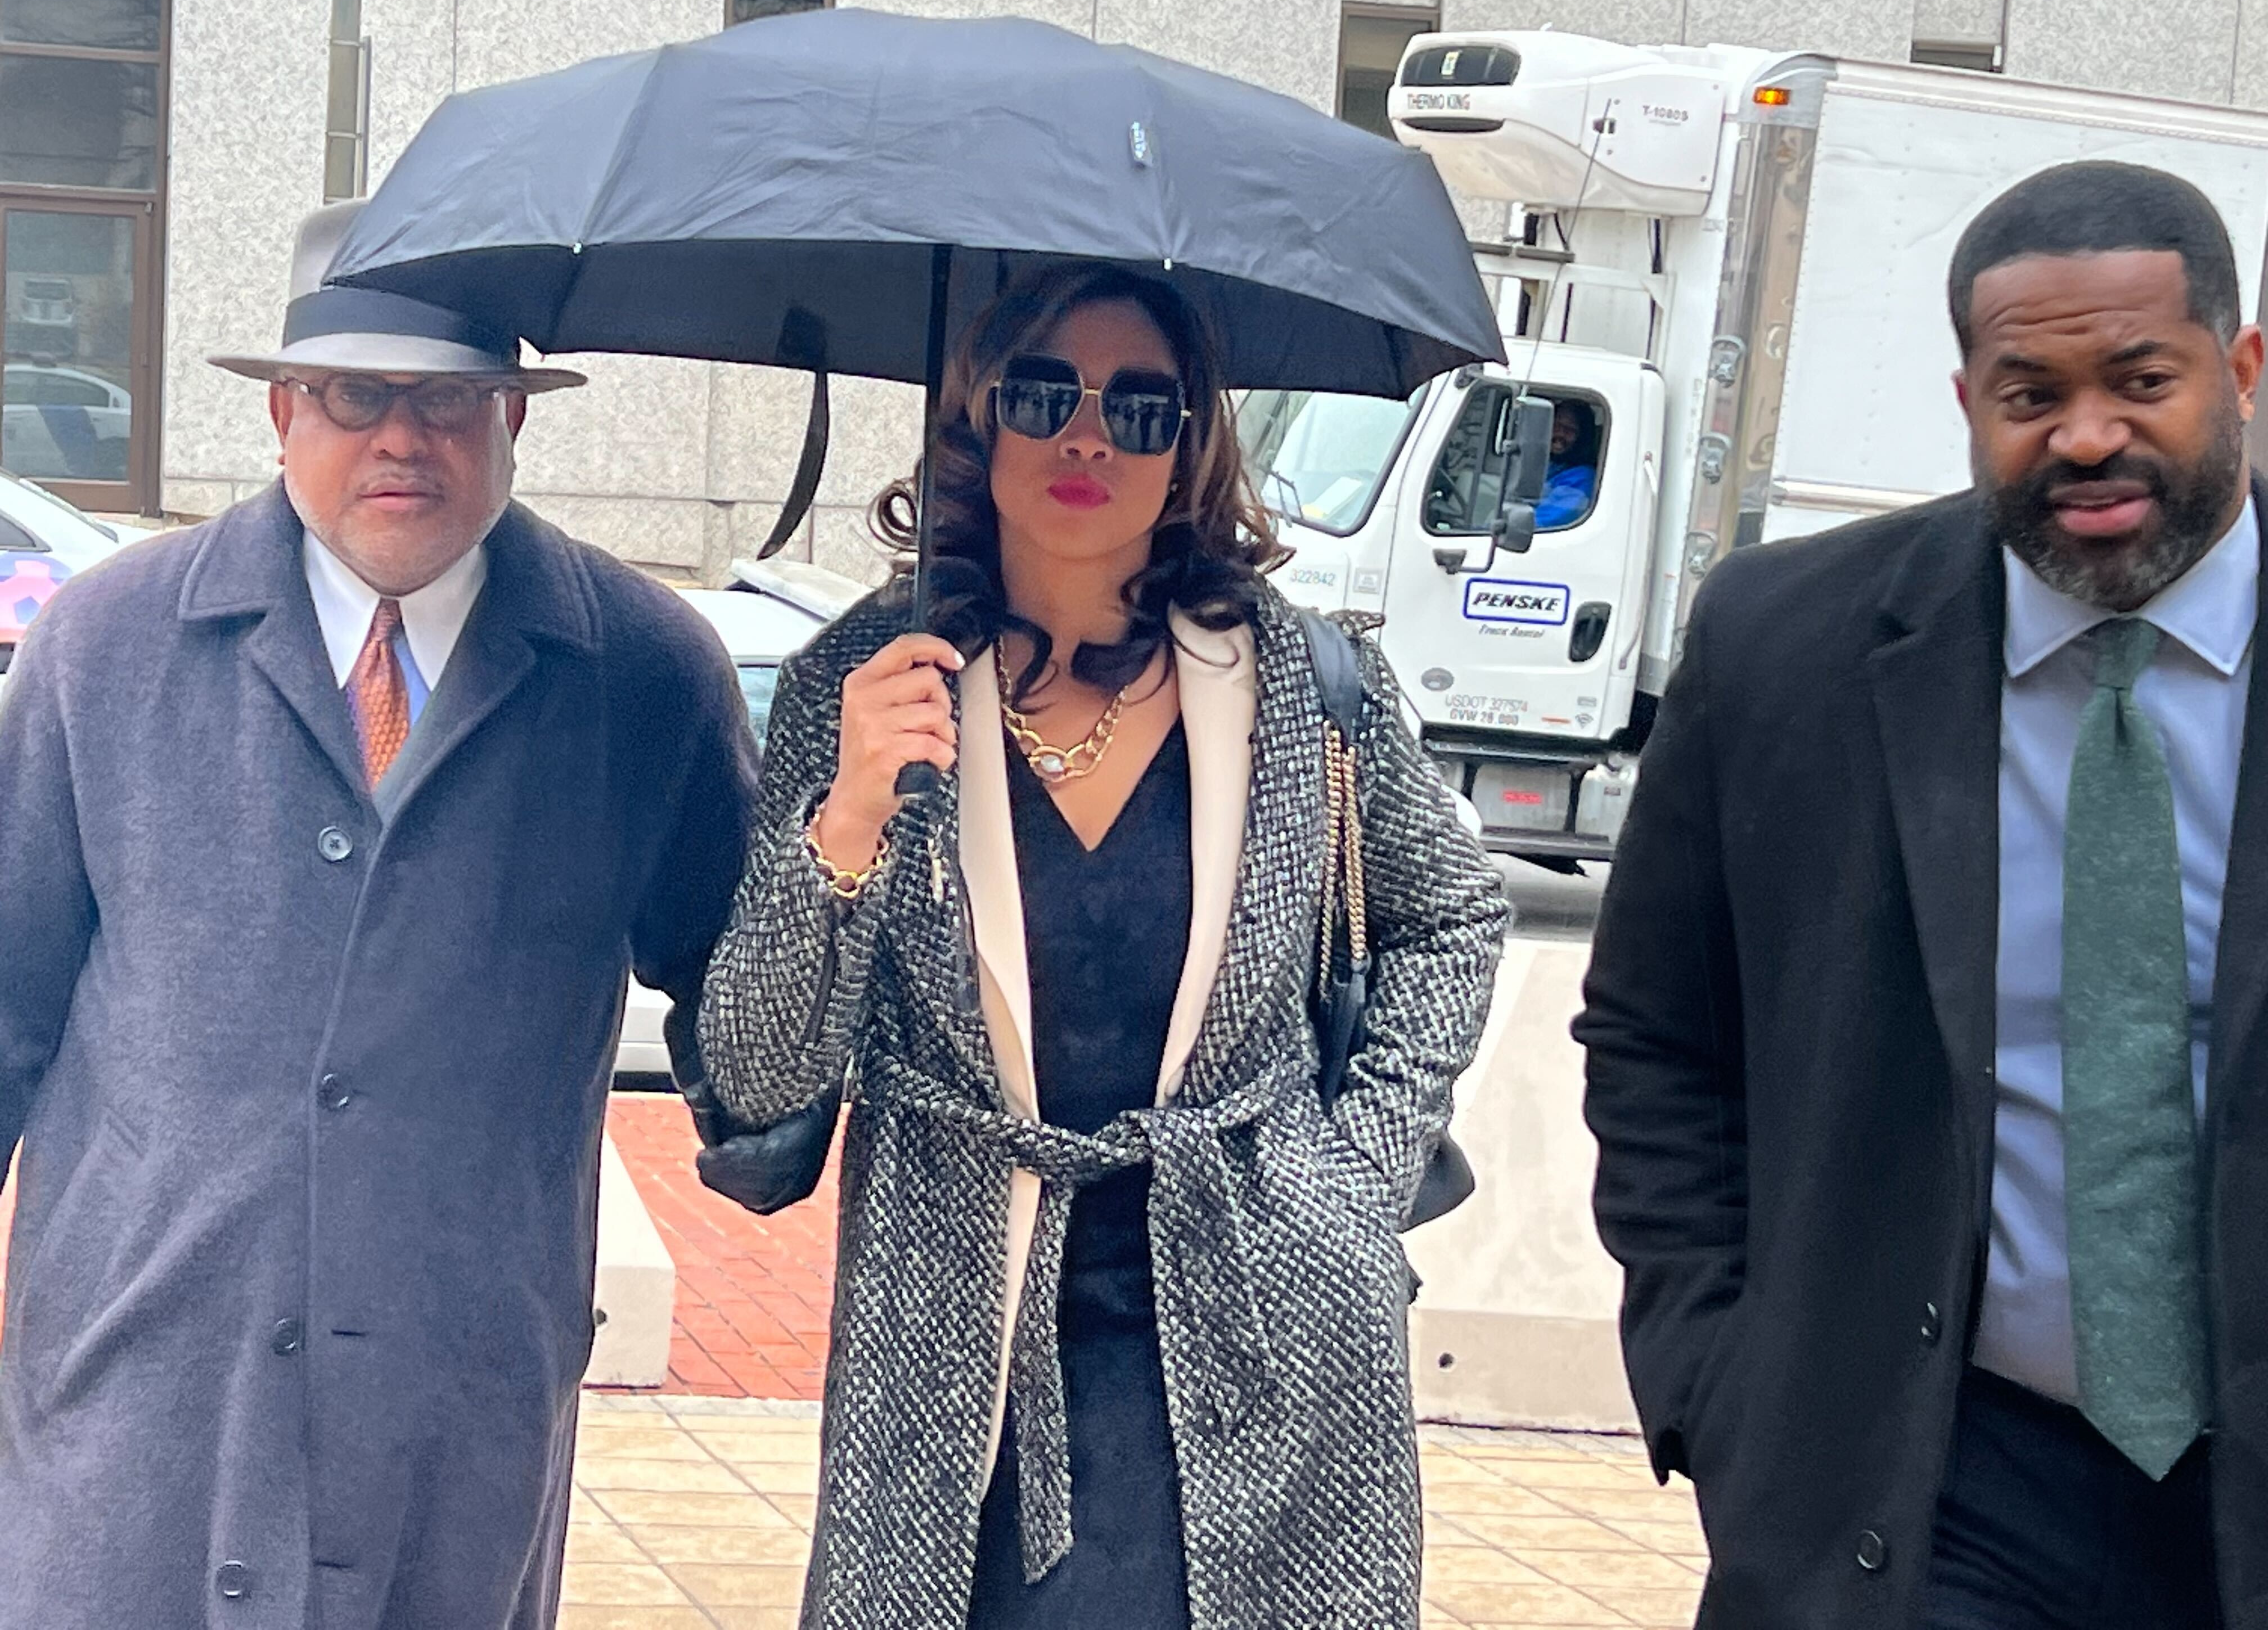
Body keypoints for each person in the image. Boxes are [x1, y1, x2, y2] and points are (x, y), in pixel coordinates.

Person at [699, 260, 1508, 1630]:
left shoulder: (1301, 683)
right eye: (1044, 394)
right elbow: (761, 1072)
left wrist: (1347, 1180)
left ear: (1192, 446)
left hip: (1255, 1307)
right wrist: (844, 824)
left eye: (1142, 407)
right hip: (956, 1327)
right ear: (978, 417)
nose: (1088, 437)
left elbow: (1451, 917)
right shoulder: (864, 682)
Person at [0, 199, 759, 1628]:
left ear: (514, 423)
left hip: (453, 1424)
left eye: (452, 399)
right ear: (285, 410)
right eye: (359, 393)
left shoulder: (646, 679)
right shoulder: (102, 650)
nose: (404, 435)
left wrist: (851, 870)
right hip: (140, 1410)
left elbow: (747, 1025)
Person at [1577, 159, 2268, 1628]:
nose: (2090, 435)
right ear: (1970, 404)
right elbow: (1657, 1038)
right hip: (1933, 1496)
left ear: (2243, 366)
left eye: (2142, 379)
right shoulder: (1790, 647)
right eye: (2032, 396)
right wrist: (1722, 1384)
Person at [1534, 397, 1598, 530]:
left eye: (1570, 430)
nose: (1560, 434)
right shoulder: (1548, 465)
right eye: (1557, 426)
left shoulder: (1583, 477)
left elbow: (1546, 522)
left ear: (1582, 437)